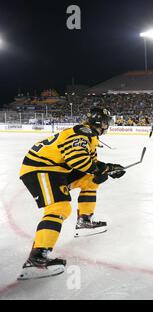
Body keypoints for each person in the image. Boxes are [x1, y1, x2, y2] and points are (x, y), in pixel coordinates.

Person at [18, 108, 126, 280]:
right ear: (100, 122)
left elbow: (90, 163)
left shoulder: (88, 135)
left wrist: (109, 168)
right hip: (40, 169)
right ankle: (36, 259)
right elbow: (77, 160)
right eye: (106, 122)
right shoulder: (81, 133)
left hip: (56, 169)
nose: (108, 126)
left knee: (92, 180)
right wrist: (105, 168)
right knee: (59, 207)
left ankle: (84, 221)